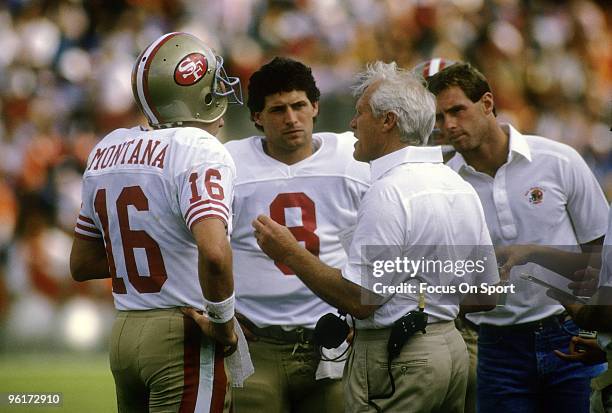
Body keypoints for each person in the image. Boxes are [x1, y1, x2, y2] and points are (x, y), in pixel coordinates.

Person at [252, 61, 499, 412]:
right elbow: (485, 293)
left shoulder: (389, 190)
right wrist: (425, 301)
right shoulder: (456, 183)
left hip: (399, 354)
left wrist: (290, 252)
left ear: (388, 121)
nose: (352, 123)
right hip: (451, 348)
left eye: (361, 113)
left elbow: (361, 300)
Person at [70, 32, 244, 413]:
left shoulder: (106, 149)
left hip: (124, 332)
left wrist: (158, 254)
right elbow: (214, 253)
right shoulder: (199, 149)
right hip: (180, 331)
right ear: (199, 93)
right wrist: (223, 323)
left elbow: (81, 264)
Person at [427, 62, 609, 413]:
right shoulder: (444, 184)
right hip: (496, 346)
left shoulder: (558, 160)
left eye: (457, 111)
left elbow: (601, 250)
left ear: (487, 103)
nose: (449, 124)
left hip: (572, 333)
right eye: (439, 117)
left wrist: (596, 331)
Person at [225, 57, 369, 413]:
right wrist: (216, 312)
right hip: (255, 342)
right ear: (256, 116)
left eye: (299, 106)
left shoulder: (353, 159)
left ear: (315, 106)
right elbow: (193, 244)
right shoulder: (228, 165)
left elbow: (381, 245)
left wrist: (366, 317)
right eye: (277, 110)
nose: (291, 119)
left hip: (334, 341)